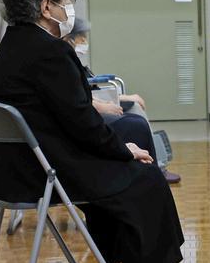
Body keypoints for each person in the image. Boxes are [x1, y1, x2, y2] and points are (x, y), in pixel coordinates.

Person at [0, 0, 206, 263]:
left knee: (131, 135)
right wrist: (122, 151)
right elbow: (82, 124)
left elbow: (70, 115)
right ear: (46, 6)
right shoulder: (49, 52)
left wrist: (121, 145)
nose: (70, 4)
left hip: (16, 168)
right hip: (44, 172)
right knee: (146, 177)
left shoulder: (12, 45)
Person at [65, 17, 181, 184]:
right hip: (91, 109)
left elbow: (88, 92)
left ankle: (157, 165)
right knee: (136, 118)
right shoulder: (63, 63)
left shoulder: (76, 64)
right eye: (80, 37)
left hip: (97, 100)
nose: (84, 41)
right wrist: (105, 106)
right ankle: (155, 167)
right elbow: (80, 97)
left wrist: (117, 100)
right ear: (69, 39)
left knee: (135, 108)